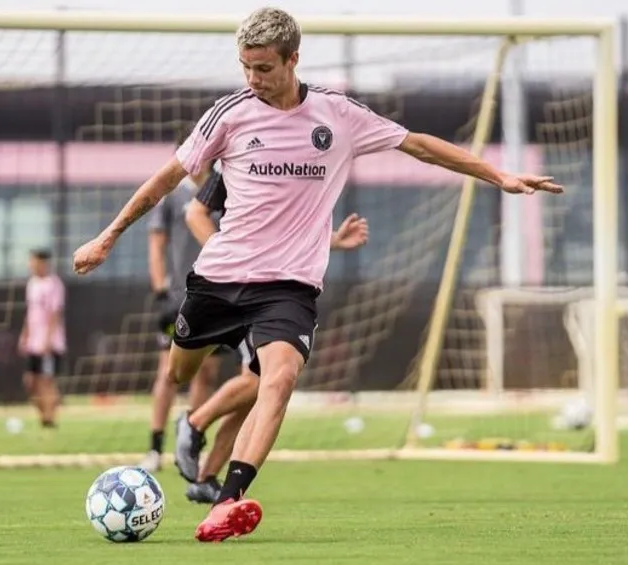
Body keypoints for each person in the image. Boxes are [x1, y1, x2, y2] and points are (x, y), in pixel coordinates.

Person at [73, 6, 562, 542]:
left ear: (293, 59)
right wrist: (107, 236)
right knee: (178, 374)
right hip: (219, 277)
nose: (253, 79)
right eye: (245, 68)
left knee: (278, 379)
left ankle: (227, 501)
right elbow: (168, 178)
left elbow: (419, 144)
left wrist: (498, 175)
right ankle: (190, 424)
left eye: (264, 68)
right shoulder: (228, 115)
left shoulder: (337, 114)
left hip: (289, 287)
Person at [176, 184, 371, 503]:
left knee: (262, 389)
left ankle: (206, 476)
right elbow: (196, 213)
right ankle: (194, 422)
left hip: (272, 294)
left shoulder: (295, 166)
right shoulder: (232, 163)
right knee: (257, 382)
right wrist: (230, 261)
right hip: (236, 288)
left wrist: (332, 240)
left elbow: (283, 232)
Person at [138, 128, 227, 475]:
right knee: (168, 371)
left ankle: (189, 443)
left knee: (208, 372)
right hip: (178, 297)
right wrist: (160, 289)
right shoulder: (172, 195)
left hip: (217, 295)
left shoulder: (224, 189)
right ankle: (154, 447)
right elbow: (156, 244)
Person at [18, 249, 66, 428]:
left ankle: (50, 419)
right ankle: (44, 416)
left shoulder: (54, 284)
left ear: (43, 263)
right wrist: (24, 335)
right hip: (33, 343)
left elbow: (55, 313)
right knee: (31, 382)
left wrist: (48, 340)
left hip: (50, 344)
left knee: (47, 381)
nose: (30, 265)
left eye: (34, 261)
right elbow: (30, 313)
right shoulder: (32, 284)